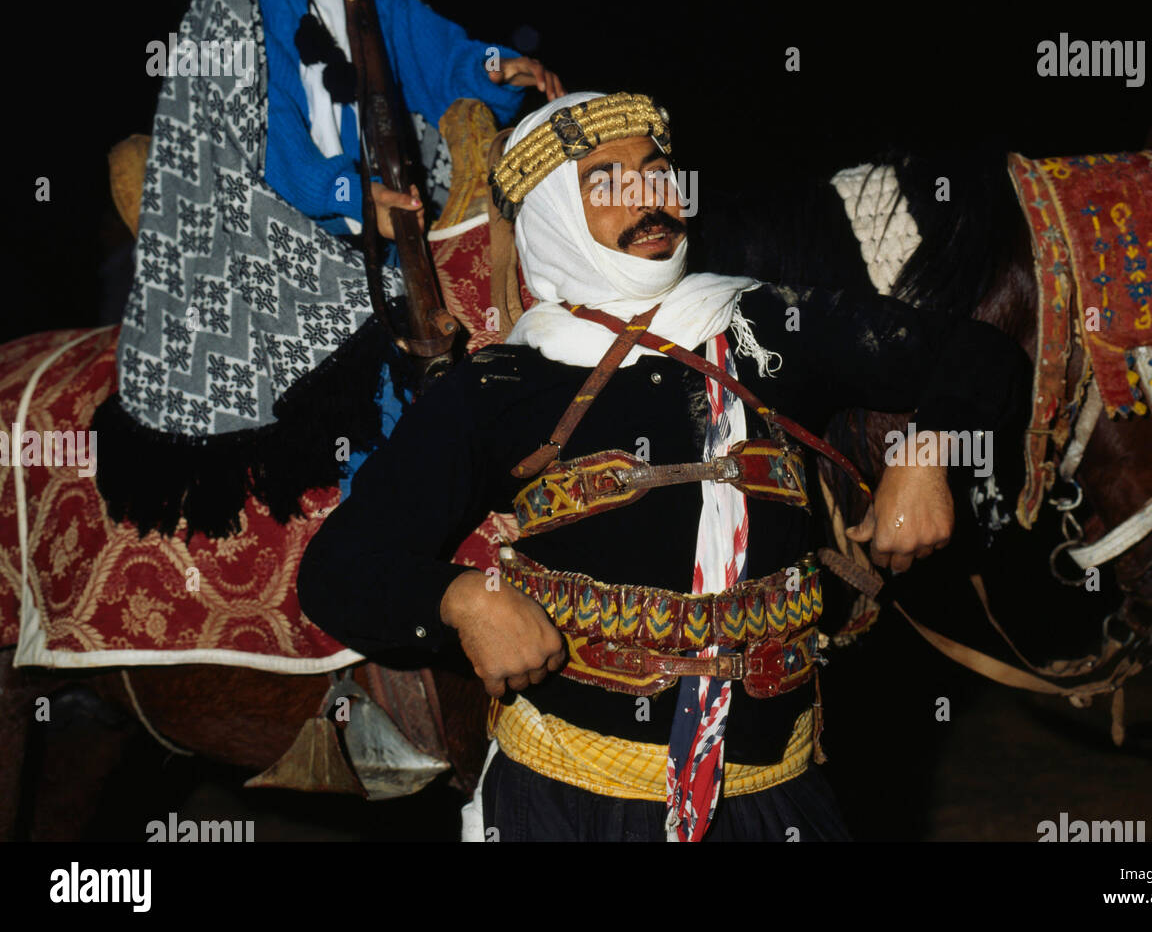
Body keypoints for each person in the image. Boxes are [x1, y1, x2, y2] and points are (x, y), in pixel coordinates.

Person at [298, 90, 1032, 842]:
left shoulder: (766, 324)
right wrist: (460, 598)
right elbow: (337, 571)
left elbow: (979, 353)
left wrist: (927, 450)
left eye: (657, 171)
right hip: (569, 804)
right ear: (551, 211)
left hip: (773, 799)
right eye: (606, 181)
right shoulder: (501, 387)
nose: (649, 196)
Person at [93, 0, 563, 540]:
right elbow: (255, 141)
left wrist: (493, 69)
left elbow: (435, 53)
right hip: (275, 223)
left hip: (380, 207)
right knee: (378, 340)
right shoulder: (226, 3)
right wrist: (348, 191)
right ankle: (370, 551)